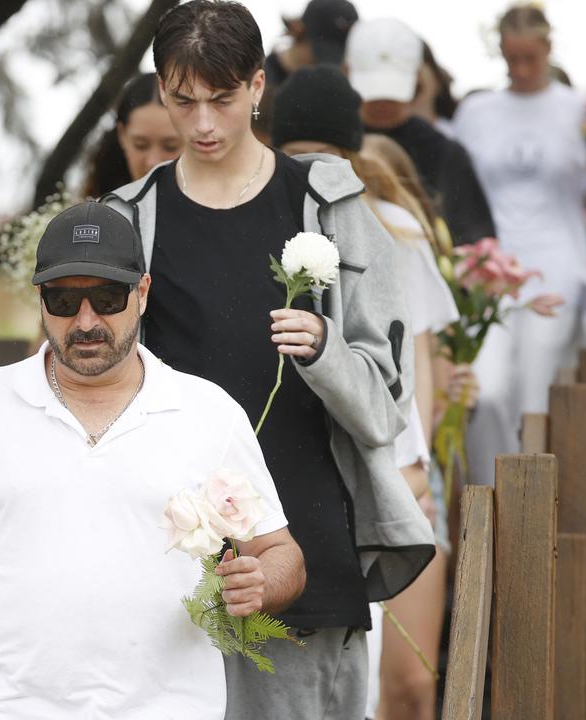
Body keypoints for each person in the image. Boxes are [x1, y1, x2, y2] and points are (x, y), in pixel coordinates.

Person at [103, 4, 435, 717]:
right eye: (183, 101)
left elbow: (386, 412)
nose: (203, 125)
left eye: (222, 100)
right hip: (159, 569)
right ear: (161, 89)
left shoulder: (330, 207)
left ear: (259, 85)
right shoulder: (130, 220)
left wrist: (324, 350)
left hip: (310, 552)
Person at [0, 201, 305, 719]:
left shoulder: (209, 413)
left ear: (142, 294)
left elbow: (280, 550)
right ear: (40, 299)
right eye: (63, 299)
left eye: (106, 297)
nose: (86, 321)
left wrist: (261, 581)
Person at [272, 65, 461, 720]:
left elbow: (425, 360)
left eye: (327, 155)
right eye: (299, 158)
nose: (315, 169)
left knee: (407, 685)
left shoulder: (392, 232)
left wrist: (418, 466)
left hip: (397, 476)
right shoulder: (260, 224)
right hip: (297, 481)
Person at [451, 3, 586, 487]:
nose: (520, 69)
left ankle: (534, 505)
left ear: (548, 49)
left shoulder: (578, 111)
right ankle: (488, 495)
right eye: (511, 58)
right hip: (493, 269)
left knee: (534, 386)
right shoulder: (475, 113)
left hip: (557, 259)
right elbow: (457, 190)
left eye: (530, 58)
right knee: (489, 386)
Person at [345, 18, 496, 247]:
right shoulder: (334, 147)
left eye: (392, 92)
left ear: (418, 78)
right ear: (348, 73)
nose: (383, 104)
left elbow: (475, 241)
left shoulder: (444, 153)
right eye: (374, 92)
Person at [255, 0, 358, 142]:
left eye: (338, 56)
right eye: (319, 56)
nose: (326, 67)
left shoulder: (342, 87)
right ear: (296, 29)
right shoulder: (254, 85)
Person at [83, 72, 182, 198]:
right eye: (140, 145)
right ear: (122, 135)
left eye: (170, 146)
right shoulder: (93, 213)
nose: (153, 162)